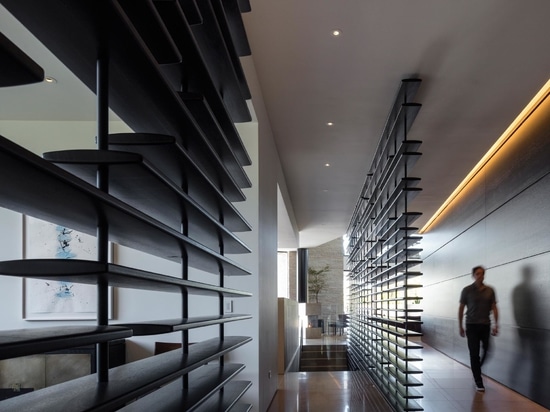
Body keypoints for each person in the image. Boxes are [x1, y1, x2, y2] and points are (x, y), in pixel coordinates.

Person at [458, 265, 499, 392]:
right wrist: (460, 325)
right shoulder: (467, 290)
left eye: (482, 273)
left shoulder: (490, 290)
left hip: (485, 325)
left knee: (487, 350)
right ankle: (478, 381)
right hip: (471, 325)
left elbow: (494, 307)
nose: (480, 276)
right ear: (473, 275)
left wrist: (496, 324)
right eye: (477, 274)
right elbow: (461, 308)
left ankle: (476, 368)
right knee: (474, 354)